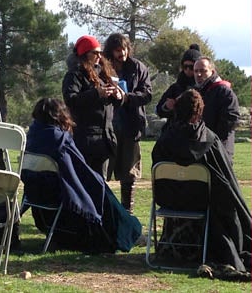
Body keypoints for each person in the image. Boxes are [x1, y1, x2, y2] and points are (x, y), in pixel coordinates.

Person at [151, 89, 252, 276]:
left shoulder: (165, 140)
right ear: (199, 112)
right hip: (201, 202)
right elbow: (225, 179)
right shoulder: (210, 139)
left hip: (169, 200)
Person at [22, 98, 142, 253]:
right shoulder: (59, 139)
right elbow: (79, 171)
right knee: (101, 189)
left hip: (36, 194)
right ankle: (130, 233)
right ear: (61, 115)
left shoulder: (31, 135)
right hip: (59, 194)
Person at [62, 35, 124, 177]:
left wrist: (118, 97)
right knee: (84, 182)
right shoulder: (74, 75)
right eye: (94, 52)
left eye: (100, 52)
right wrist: (96, 93)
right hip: (84, 139)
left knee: (101, 184)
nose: (98, 56)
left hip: (104, 138)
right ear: (84, 54)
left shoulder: (104, 72)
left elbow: (112, 103)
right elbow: (71, 100)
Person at [103, 33, 152, 213]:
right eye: (117, 50)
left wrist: (126, 97)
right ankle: (105, 215)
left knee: (129, 175)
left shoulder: (138, 67)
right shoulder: (103, 66)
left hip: (131, 127)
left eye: (124, 49)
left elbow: (147, 94)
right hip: (107, 128)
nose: (122, 53)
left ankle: (127, 215)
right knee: (102, 173)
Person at [193, 57, 240, 163]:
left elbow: (232, 119)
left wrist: (212, 138)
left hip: (220, 148)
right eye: (196, 71)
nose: (198, 74)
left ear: (212, 71)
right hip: (200, 148)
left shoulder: (224, 91)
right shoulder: (197, 91)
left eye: (203, 71)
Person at [155, 44, 201, 130]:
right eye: (185, 66)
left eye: (191, 67)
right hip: (175, 131)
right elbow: (159, 110)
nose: (187, 70)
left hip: (197, 131)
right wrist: (167, 107)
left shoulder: (204, 87)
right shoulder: (176, 87)